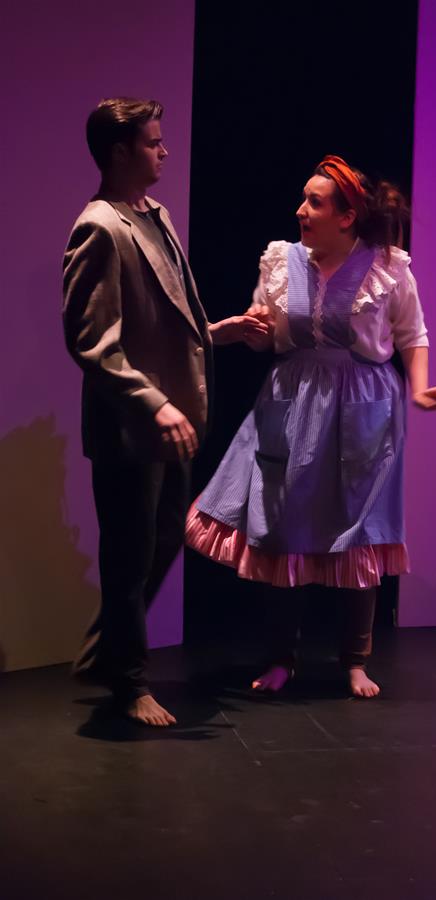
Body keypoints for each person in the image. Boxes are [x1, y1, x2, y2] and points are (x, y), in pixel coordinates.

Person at [185, 155, 436, 698]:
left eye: (315, 202)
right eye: (303, 199)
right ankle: (282, 655)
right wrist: (247, 332)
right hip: (293, 401)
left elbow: (412, 335)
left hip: (364, 406)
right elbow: (266, 331)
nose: (301, 210)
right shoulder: (281, 263)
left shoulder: (387, 268)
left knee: (359, 532)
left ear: (347, 217)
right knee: (281, 528)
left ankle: (354, 658)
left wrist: (422, 386)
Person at [63, 97, 267, 726]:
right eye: (152, 143)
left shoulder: (154, 216)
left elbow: (166, 323)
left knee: (158, 545)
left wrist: (221, 332)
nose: (164, 151)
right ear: (120, 152)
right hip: (132, 427)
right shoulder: (100, 226)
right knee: (128, 556)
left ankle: (108, 651)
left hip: (171, 419)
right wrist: (152, 404)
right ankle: (128, 683)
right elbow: (93, 342)